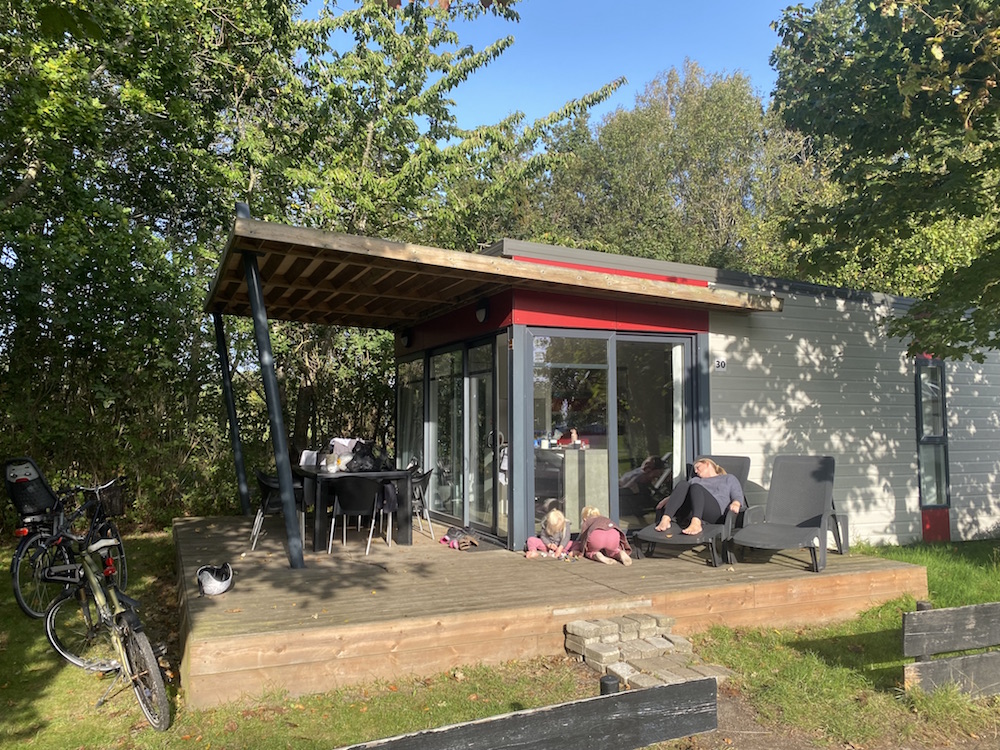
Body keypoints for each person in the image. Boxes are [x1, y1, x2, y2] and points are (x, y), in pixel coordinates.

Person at [654, 457, 743, 535]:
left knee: (696, 487)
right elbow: (681, 492)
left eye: (697, 467)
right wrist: (669, 499)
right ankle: (666, 519)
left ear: (707, 464)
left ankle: (696, 523)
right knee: (683, 484)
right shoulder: (695, 480)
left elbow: (737, 494)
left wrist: (736, 503)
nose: (696, 471)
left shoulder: (728, 478)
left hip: (715, 513)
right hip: (690, 511)